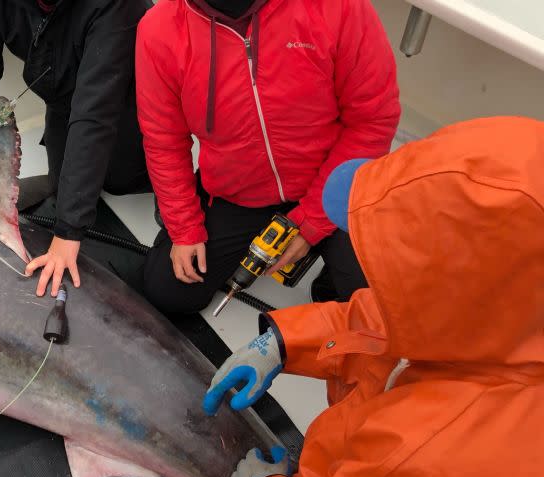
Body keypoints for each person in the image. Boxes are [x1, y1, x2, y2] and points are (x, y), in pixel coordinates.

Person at [174, 116, 544, 477]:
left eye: (396, 266)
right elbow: (384, 322)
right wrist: (282, 341)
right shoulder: (504, 321)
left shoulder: (423, 454)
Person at [135, 0, 400, 313]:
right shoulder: (159, 29)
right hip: (240, 193)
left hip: (334, 184)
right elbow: (163, 141)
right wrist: (184, 228)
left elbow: (372, 119)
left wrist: (312, 222)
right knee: (169, 291)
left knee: (378, 304)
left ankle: (329, 271)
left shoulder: (338, 6)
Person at [0, 0, 152, 298]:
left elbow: (95, 116)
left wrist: (68, 233)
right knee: (60, 183)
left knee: (120, 179)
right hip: (64, 93)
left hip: (129, 88)